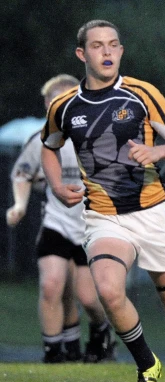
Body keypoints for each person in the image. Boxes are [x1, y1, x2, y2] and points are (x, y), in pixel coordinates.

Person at [41, 20, 165, 382]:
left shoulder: (142, 93)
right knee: (108, 291)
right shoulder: (64, 106)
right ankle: (147, 364)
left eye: (112, 45)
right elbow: (49, 147)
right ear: (82, 55)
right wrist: (56, 185)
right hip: (103, 217)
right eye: (96, 46)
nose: (106, 52)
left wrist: (157, 153)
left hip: (154, 213)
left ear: (120, 51)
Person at [6, 74, 114, 363]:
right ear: (47, 104)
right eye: (57, 101)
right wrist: (19, 205)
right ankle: (54, 353)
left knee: (89, 298)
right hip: (56, 223)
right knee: (52, 285)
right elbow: (22, 173)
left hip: (91, 228)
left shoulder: (97, 137)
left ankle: (101, 332)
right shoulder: (42, 139)